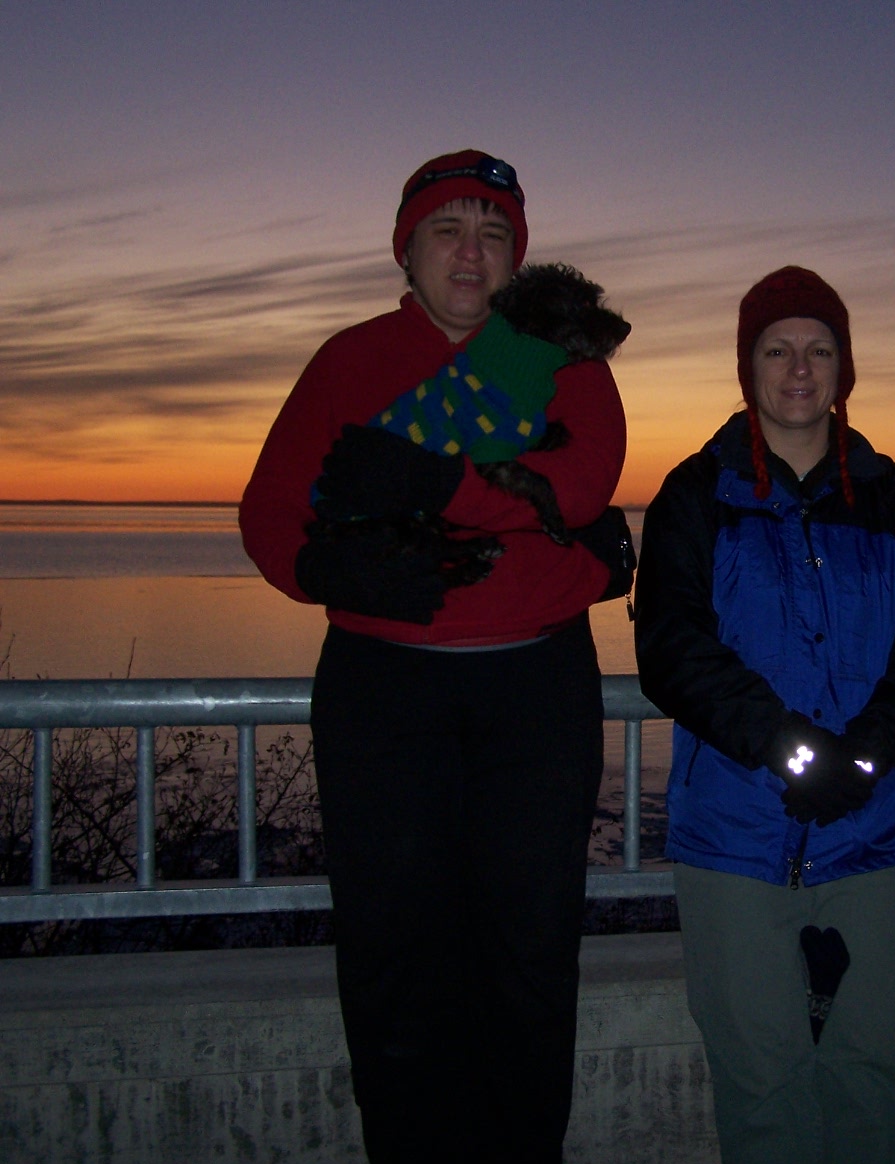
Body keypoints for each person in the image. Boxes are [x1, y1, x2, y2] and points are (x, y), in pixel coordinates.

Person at [239, 149, 627, 1162]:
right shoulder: (348, 360)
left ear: (517, 258)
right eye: (447, 229)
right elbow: (269, 513)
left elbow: (582, 484)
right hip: (384, 694)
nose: (470, 251)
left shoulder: (567, 362)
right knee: (393, 954)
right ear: (405, 251)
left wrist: (433, 486)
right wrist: (329, 569)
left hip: (535, 690)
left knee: (529, 950)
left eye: (494, 233)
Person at [633, 266, 895, 1164]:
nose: (798, 370)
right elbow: (672, 644)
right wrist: (786, 745)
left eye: (818, 351)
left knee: (874, 1077)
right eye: (776, 350)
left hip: (869, 830)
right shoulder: (695, 494)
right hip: (736, 841)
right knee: (762, 1085)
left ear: (843, 367)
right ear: (746, 366)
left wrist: (868, 752)